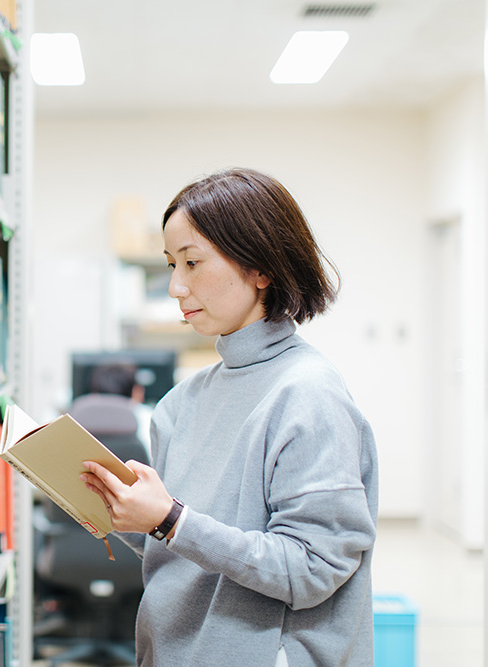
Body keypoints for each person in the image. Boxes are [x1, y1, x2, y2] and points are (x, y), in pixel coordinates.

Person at [80, 167, 378, 666]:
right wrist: (131, 517)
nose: (176, 287)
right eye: (171, 264)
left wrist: (171, 521)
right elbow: (192, 551)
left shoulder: (308, 395)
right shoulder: (181, 402)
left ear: (260, 268)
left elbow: (312, 568)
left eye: (193, 263)